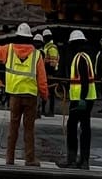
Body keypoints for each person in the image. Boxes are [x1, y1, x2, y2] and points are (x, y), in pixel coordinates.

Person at [0, 22, 49, 166]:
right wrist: (45, 95)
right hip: (30, 97)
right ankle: (30, 159)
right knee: (29, 129)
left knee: (13, 128)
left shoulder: (9, 50)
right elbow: (42, 79)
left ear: (18, 36)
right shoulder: (37, 55)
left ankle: (10, 159)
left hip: (14, 96)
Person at [63, 30, 96, 169]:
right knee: (84, 129)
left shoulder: (80, 58)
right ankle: (83, 161)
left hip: (81, 99)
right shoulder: (86, 56)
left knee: (72, 127)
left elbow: (84, 80)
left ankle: (72, 159)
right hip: (87, 98)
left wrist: (81, 98)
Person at [40, 29, 60, 116]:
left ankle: (51, 111)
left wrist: (49, 72)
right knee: (44, 91)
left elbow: (53, 62)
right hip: (46, 72)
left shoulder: (52, 47)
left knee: (51, 93)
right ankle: (43, 109)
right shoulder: (47, 47)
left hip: (50, 73)